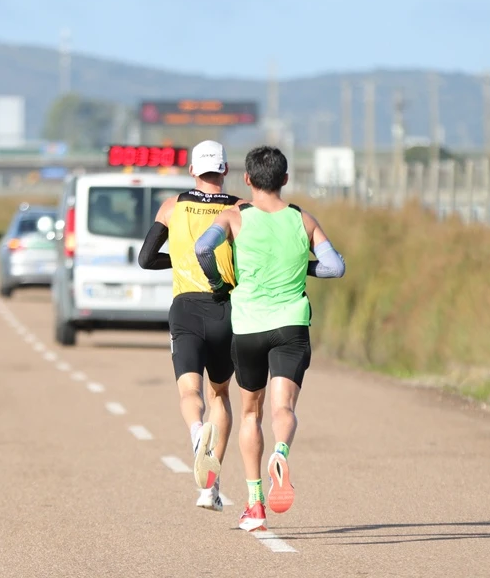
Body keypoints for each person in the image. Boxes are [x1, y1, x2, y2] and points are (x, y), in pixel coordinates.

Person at [193, 145, 346, 532]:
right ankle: (281, 452)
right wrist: (301, 267)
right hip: (292, 324)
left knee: (250, 413)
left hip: (248, 326)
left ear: (246, 179)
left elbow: (202, 247)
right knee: (284, 410)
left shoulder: (235, 217)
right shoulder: (303, 220)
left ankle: (255, 504)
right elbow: (335, 266)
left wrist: (219, 280)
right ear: (286, 179)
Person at [137, 139, 244, 512]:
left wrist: (181, 259)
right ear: (226, 170)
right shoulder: (239, 209)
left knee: (189, 393)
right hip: (226, 309)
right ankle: (209, 488)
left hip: (185, 309)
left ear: (193, 171)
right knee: (221, 396)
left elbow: (146, 259)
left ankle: (197, 435)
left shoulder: (172, 206)